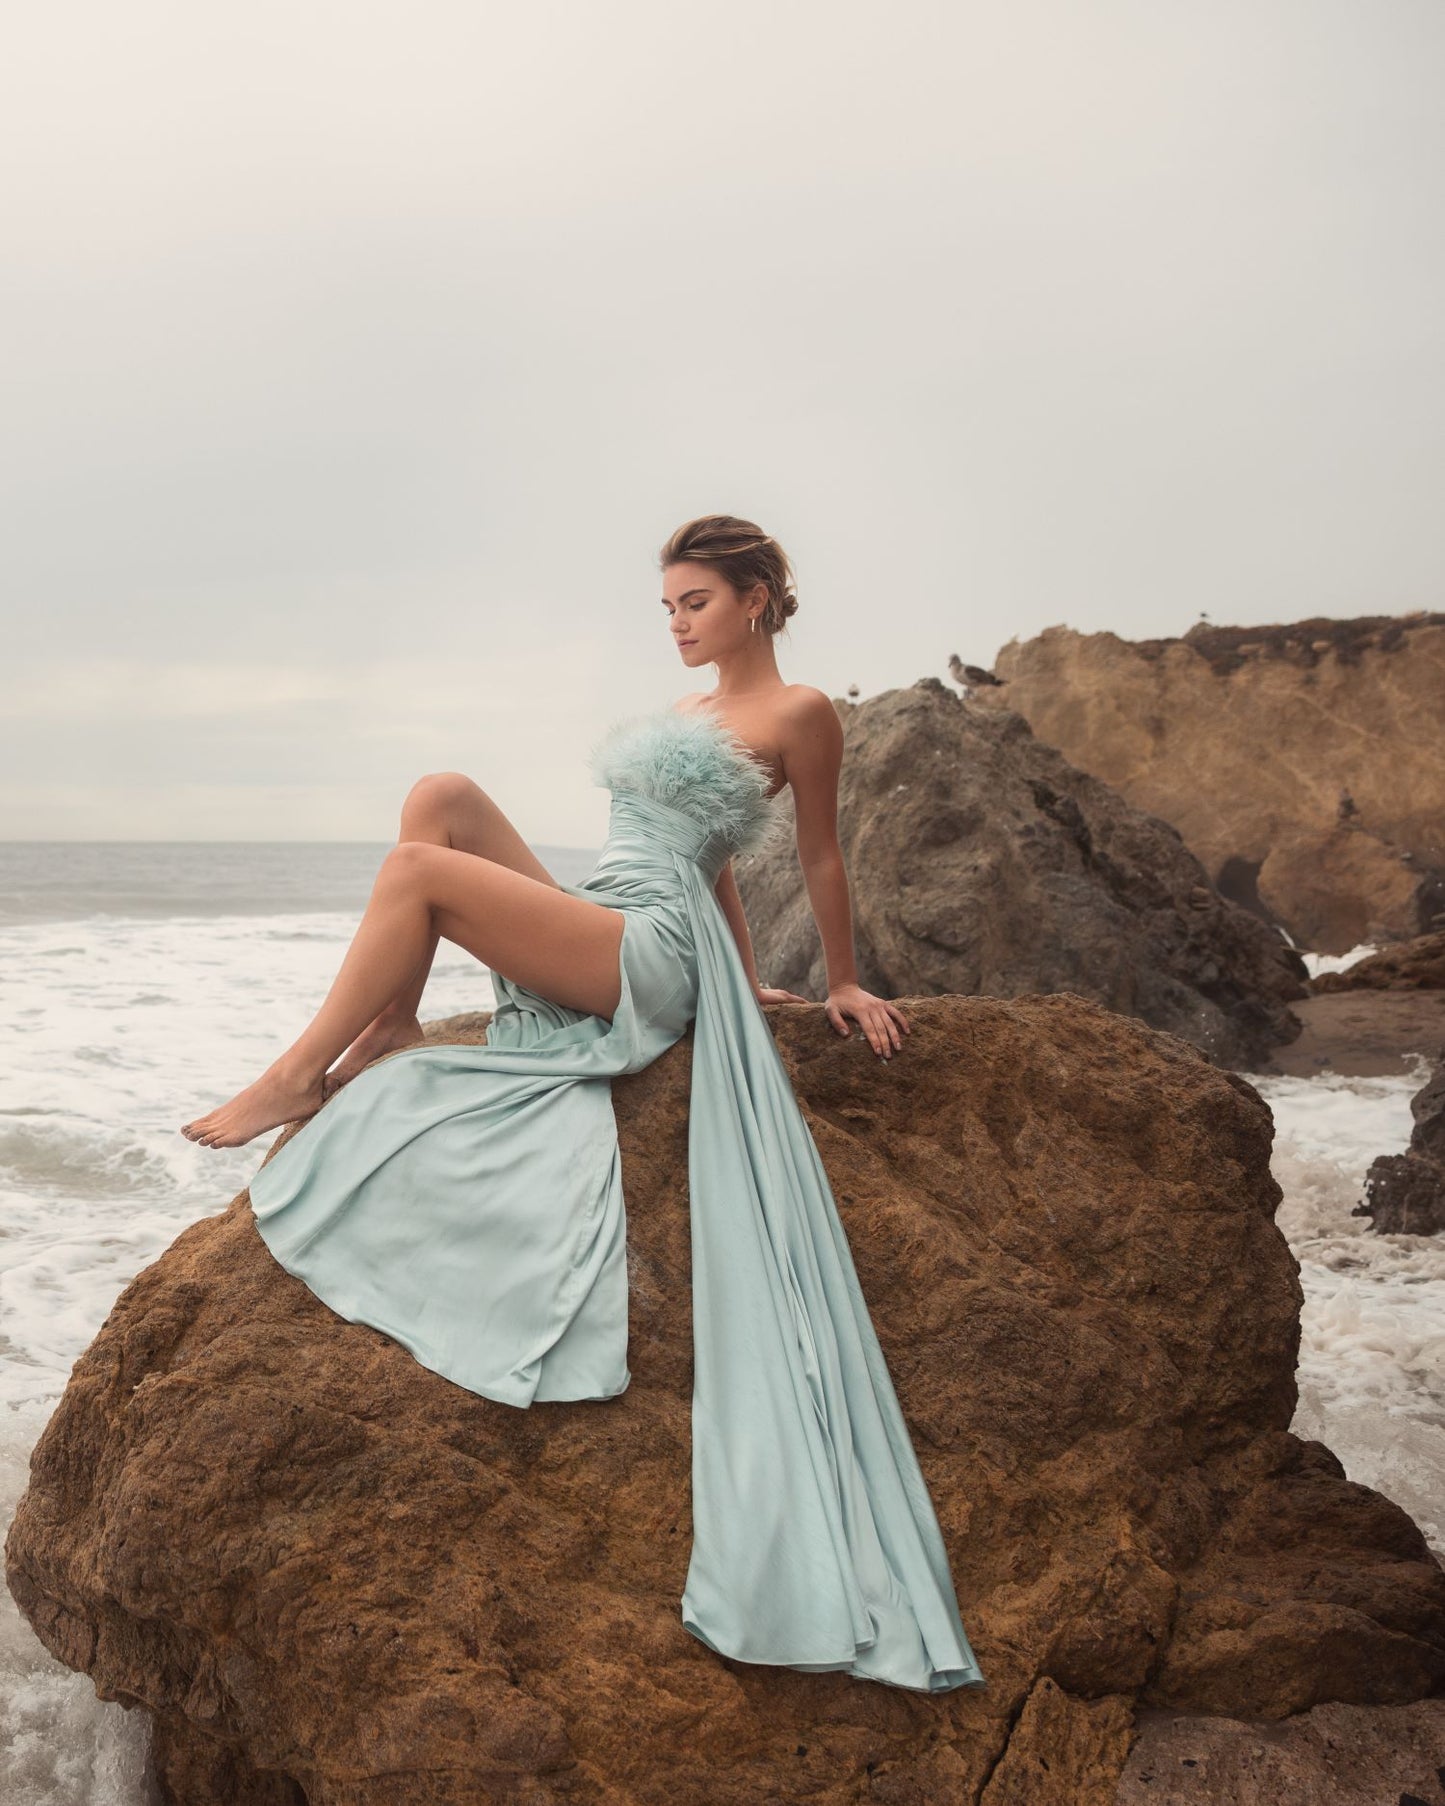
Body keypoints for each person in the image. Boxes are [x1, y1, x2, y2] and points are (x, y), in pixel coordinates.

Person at [180, 514, 986, 1694]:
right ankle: (395, 1022)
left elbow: (814, 852)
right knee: (439, 795)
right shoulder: (682, 721)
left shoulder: (800, 714)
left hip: (641, 953)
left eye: (696, 603)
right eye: (665, 605)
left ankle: (299, 1070)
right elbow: (711, 864)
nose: (675, 623)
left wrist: (835, 977)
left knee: (415, 873)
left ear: (757, 599)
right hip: (616, 910)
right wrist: (737, 958)